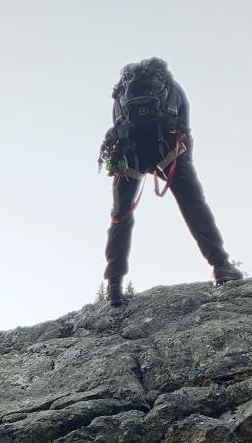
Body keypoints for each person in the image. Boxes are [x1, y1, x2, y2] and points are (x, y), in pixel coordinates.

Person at [99, 57, 242, 306]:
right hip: (169, 152)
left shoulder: (121, 94)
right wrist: (182, 162)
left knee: (120, 216)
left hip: (130, 157)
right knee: (194, 206)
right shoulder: (173, 90)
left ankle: (114, 284)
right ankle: (221, 265)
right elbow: (184, 129)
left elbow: (118, 126)